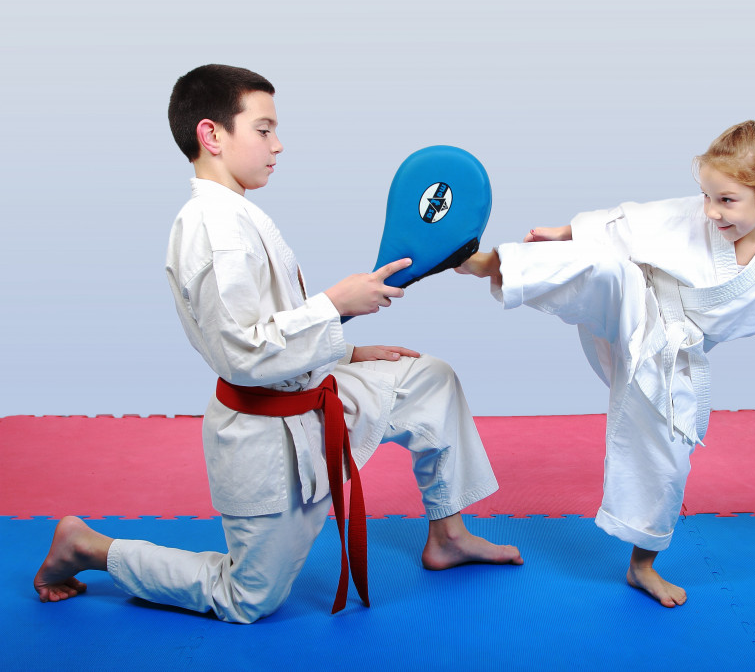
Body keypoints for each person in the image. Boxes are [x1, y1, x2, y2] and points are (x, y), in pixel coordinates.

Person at [34, 64, 522, 623]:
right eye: (263, 130)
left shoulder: (237, 214)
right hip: (265, 438)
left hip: (313, 393)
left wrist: (346, 350)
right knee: (248, 597)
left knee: (427, 379)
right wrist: (336, 305)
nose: (278, 144)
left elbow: (273, 322)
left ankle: (448, 536)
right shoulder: (214, 232)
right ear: (212, 135)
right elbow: (242, 353)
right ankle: (89, 547)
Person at [457, 120, 755, 608]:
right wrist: (569, 232)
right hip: (635, 304)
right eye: (707, 196)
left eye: (726, 200)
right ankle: (486, 262)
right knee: (602, 267)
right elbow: (631, 222)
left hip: (674, 359)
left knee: (669, 463)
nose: (710, 211)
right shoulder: (697, 215)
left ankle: (641, 567)